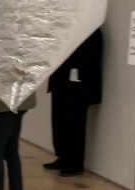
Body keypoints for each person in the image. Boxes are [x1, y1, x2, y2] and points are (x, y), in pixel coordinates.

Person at [44, 28, 103, 177]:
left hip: (78, 88)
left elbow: (90, 60)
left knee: (75, 125)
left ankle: (74, 163)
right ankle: (63, 157)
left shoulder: (92, 32)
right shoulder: (67, 30)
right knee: (59, 123)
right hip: (61, 83)